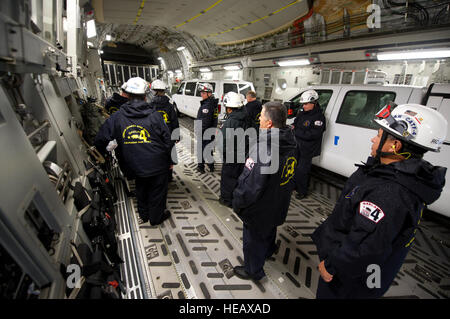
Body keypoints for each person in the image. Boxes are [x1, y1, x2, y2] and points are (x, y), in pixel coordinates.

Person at [311, 103, 447, 299]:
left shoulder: (390, 192)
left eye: (379, 134)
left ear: (395, 145)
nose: (373, 139)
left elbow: (366, 246)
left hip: (348, 278)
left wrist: (332, 266)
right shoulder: (400, 175)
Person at [232, 102, 298, 280]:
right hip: (279, 200)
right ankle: (268, 250)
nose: (259, 118)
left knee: (253, 238)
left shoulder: (263, 147)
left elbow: (250, 185)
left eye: (261, 115)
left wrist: (237, 201)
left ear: (269, 123)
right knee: (269, 228)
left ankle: (253, 270)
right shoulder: (291, 141)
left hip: (259, 208)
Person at [94, 77, 172, 226]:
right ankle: (156, 218)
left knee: (141, 187)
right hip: (157, 164)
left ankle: (144, 215)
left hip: (134, 165)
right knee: (157, 192)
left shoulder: (117, 117)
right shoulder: (155, 116)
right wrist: (168, 161)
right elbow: (167, 140)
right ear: (145, 95)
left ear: (127, 95)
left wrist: (103, 153)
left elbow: (100, 139)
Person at [292, 89, 326, 200]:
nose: (304, 106)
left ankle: (302, 191)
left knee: (302, 170)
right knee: (294, 167)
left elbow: (313, 134)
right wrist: (292, 127)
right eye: (303, 104)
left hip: (308, 149)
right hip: (297, 145)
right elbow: (295, 124)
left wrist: (296, 131)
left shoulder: (319, 117)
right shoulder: (302, 113)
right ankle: (294, 186)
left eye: (306, 104)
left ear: (314, 103)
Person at [219, 92, 248, 208]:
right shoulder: (247, 117)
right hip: (244, 153)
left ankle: (227, 200)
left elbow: (223, 142)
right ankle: (237, 198)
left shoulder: (230, 122)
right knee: (240, 177)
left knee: (228, 177)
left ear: (229, 109)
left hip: (231, 155)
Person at [149, 79, 180, 182]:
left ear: (154, 91)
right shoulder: (170, 106)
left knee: (156, 156)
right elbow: (174, 121)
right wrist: (176, 136)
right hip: (169, 136)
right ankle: (169, 177)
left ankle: (157, 177)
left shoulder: (150, 106)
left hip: (155, 136)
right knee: (169, 157)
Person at [196, 83, 219, 174]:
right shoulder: (213, 103)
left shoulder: (207, 106)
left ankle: (201, 167)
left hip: (205, 132)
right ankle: (211, 165)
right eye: (201, 92)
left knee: (201, 149)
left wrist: (199, 131)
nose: (201, 94)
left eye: (203, 93)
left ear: (209, 93)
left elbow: (205, 122)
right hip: (210, 131)